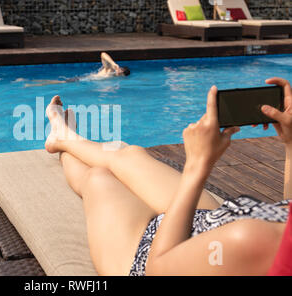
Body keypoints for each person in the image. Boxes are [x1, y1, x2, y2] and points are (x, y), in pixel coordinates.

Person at [44, 77, 291, 276]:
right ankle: (64, 136)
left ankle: (60, 143)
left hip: (153, 255)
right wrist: (290, 143)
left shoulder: (255, 242)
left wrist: (197, 165)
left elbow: (158, 268)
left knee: (99, 179)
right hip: (215, 223)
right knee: (128, 154)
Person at [24, 52, 130, 87]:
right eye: (121, 71)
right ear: (120, 68)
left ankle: (29, 82)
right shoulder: (110, 69)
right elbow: (103, 54)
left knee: (60, 82)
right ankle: (30, 84)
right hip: (82, 79)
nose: (119, 73)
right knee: (60, 83)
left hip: (85, 81)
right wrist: (113, 63)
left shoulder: (113, 77)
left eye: (121, 74)